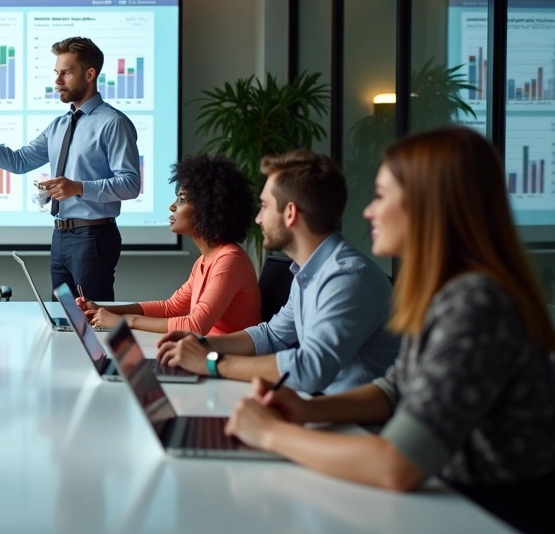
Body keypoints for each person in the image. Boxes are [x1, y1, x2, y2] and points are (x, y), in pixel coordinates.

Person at [224, 128, 555, 534]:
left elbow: (397, 465)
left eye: (382, 196)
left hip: (490, 525)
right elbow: (396, 388)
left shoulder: (476, 303)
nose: (369, 211)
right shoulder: (450, 292)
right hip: (451, 507)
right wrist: (305, 408)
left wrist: (271, 435)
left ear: (429, 206)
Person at [157, 150, 398, 395]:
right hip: (321, 408)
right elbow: (271, 336)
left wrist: (211, 361)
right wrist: (201, 344)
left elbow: (309, 370)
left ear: (290, 213)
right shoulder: (309, 272)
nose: (259, 219)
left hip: (354, 424)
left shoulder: (346, 278)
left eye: (264, 206)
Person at [0, 36, 140, 301]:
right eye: (57, 73)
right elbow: (20, 161)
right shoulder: (59, 125)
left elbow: (130, 184)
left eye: (66, 73)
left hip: (94, 237)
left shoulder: (113, 123)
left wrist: (78, 188)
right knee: (63, 319)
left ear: (90, 74)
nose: (57, 81)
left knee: (93, 320)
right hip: (61, 236)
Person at [76, 153, 260, 335]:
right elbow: (170, 308)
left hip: (224, 360)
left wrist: (124, 321)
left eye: (181, 200)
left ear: (208, 209)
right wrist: (101, 309)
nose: (172, 207)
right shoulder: (205, 261)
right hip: (205, 353)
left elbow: (195, 326)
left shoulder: (230, 260)